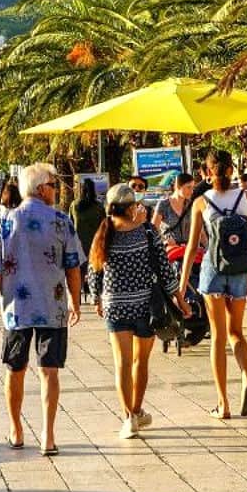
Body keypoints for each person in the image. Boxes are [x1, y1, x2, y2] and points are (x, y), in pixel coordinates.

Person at [0, 162, 82, 455]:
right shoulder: (62, 221)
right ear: (41, 189)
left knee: (15, 369)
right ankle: (48, 436)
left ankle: (16, 429)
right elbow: (73, 267)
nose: (56, 190)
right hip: (53, 306)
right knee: (49, 371)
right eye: (53, 185)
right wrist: (75, 300)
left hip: (16, 309)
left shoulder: (5, 223)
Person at [89, 184, 186, 438]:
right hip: (146, 305)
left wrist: (98, 298)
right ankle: (137, 408)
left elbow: (94, 269)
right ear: (131, 207)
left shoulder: (104, 231)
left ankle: (129, 418)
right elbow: (164, 269)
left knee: (121, 363)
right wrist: (180, 299)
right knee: (139, 361)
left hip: (115, 306)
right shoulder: (146, 231)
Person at [179, 149, 247, 420]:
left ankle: (223, 403)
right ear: (231, 170)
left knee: (218, 336)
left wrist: (181, 287)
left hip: (213, 271)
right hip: (240, 271)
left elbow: (192, 247)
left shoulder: (202, 202)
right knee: (237, 332)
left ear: (207, 172)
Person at [69, 178, 106, 301]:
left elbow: (70, 225)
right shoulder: (99, 207)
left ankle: (77, 298)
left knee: (79, 271)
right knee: (96, 269)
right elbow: (104, 225)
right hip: (95, 243)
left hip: (78, 244)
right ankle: (96, 296)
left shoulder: (74, 206)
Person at [152, 172, 195, 249]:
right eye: (188, 187)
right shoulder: (164, 204)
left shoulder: (191, 204)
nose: (192, 191)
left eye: (193, 188)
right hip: (170, 250)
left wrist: (207, 248)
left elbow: (200, 231)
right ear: (178, 186)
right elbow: (154, 228)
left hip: (188, 248)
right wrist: (164, 239)